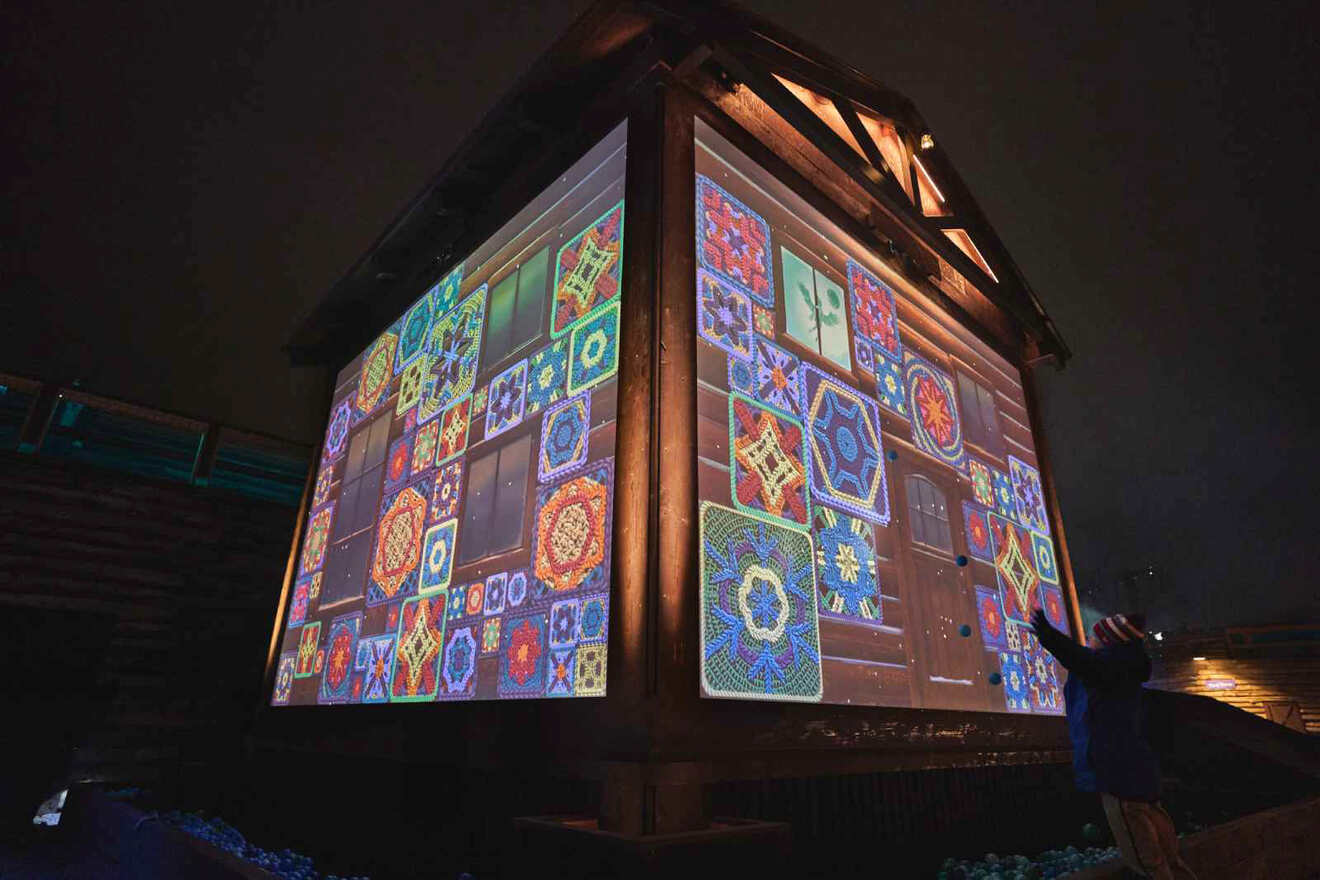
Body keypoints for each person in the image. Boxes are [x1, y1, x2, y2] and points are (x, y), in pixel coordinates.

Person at [1030, 607, 1197, 880]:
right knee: (1167, 854)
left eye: (1093, 637)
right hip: (1136, 773)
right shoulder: (1123, 670)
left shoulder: (1111, 670)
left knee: (1147, 862)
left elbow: (1082, 661)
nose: (1088, 640)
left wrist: (1049, 635)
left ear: (1107, 641)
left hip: (1119, 776)